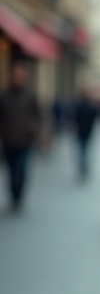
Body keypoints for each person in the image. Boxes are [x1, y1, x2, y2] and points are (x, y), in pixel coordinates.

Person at [0, 61, 41, 211]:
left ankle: (19, 197)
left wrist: (33, 129)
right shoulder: (4, 96)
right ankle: (13, 195)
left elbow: (38, 116)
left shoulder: (30, 96)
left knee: (21, 172)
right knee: (11, 172)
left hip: (25, 141)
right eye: (16, 75)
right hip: (9, 141)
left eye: (21, 75)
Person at [72, 90, 99, 180]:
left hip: (81, 132)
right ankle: (84, 166)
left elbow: (75, 119)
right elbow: (94, 118)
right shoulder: (91, 107)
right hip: (88, 132)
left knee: (81, 150)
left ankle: (82, 166)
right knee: (85, 150)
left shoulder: (78, 107)